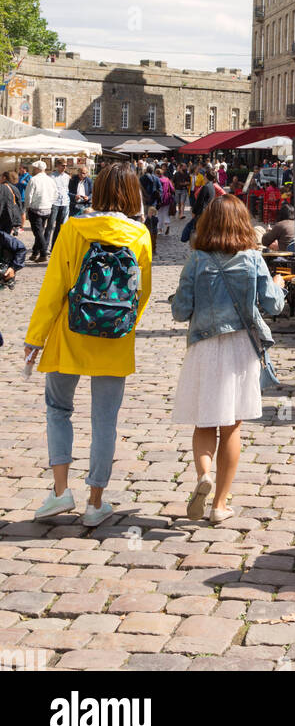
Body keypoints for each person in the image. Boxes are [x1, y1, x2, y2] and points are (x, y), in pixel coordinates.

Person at [24, 161, 152, 523]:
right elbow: (141, 294)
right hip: (113, 342)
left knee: (58, 409)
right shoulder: (140, 236)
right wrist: (122, 326)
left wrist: (36, 337)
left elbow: (53, 286)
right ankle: (96, 502)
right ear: (132, 194)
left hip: (70, 334)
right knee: (105, 421)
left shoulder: (73, 228)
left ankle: (61, 492)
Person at [171, 195, 285, 524]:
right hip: (240, 346)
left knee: (205, 422)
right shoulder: (252, 259)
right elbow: (274, 306)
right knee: (232, 425)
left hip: (205, 345)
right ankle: (220, 505)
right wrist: (278, 285)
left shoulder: (197, 259)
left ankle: (204, 474)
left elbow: (181, 311)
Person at [24, 161, 55, 263]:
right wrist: (50, 203)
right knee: (39, 232)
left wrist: (27, 207)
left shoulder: (34, 179)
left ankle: (43, 253)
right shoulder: (50, 180)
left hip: (35, 209)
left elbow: (29, 195)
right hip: (47, 208)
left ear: (37, 169)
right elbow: (55, 194)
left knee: (38, 233)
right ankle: (34, 252)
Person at [46, 160, 70, 256]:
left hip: (64, 203)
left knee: (59, 227)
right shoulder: (51, 176)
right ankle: (45, 247)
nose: (64, 167)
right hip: (54, 203)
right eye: (62, 165)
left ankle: (54, 247)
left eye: (65, 166)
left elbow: (67, 189)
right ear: (57, 166)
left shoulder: (67, 177)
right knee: (50, 225)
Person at [156, 167, 175, 236]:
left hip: (160, 199)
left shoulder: (157, 180)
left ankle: (160, 230)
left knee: (159, 214)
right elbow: (172, 189)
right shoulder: (167, 179)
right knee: (166, 213)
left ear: (157, 174)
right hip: (167, 198)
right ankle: (167, 225)